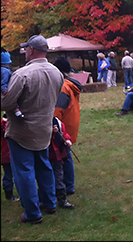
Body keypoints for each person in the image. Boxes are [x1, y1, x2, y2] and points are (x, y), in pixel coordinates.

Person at [1, 35, 64, 225]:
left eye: (26, 49)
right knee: (44, 166)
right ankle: (50, 202)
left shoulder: (22, 74)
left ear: (30, 50)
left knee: (23, 170)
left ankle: (32, 213)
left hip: (22, 131)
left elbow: (6, 102)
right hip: (44, 129)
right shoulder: (57, 73)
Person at [52, 57, 82, 196]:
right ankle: (67, 184)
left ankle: (68, 186)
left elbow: (58, 110)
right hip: (69, 123)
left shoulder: (63, 87)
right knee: (66, 155)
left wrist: (53, 124)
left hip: (63, 127)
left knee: (64, 156)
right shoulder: (70, 85)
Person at [48, 117, 74, 209]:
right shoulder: (40, 120)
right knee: (46, 178)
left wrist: (67, 140)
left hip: (56, 156)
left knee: (59, 177)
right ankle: (46, 199)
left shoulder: (57, 122)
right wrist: (50, 131)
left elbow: (64, 133)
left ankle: (62, 200)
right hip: (45, 156)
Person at [1, 115, 19, 201]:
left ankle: (10, 192)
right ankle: (9, 194)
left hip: (8, 154)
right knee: (8, 175)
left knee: (10, 174)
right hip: (7, 154)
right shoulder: (4, 125)